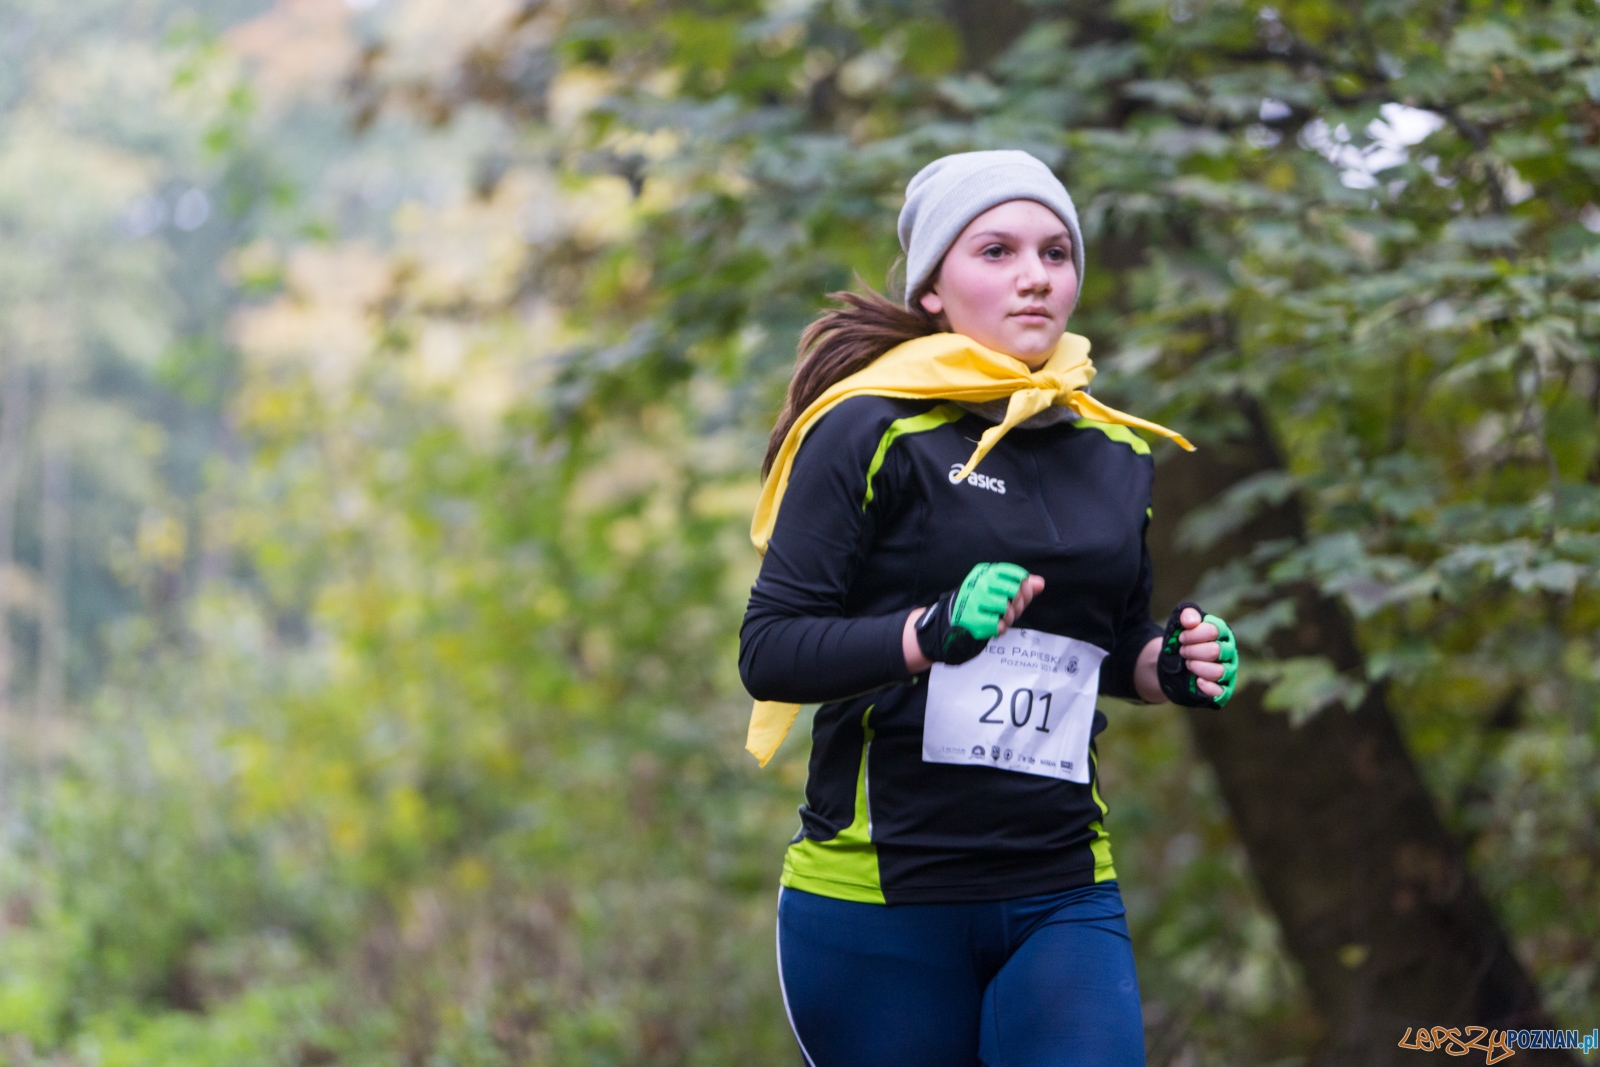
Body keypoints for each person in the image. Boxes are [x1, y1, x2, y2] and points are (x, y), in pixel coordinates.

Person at [738, 150, 1239, 1067]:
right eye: (997, 251)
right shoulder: (868, 425)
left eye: (1056, 252)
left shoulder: (1117, 449)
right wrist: (929, 634)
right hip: (879, 900)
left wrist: (1162, 665)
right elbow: (769, 651)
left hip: (1062, 887)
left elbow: (1105, 640)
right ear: (933, 287)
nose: (1034, 276)